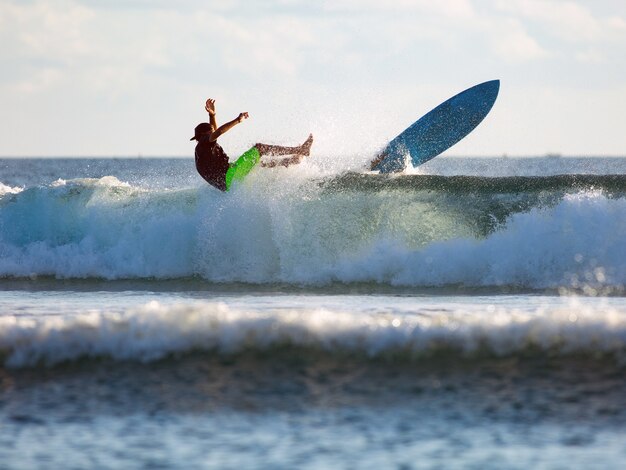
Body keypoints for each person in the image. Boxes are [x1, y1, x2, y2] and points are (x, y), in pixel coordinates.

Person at [191, 98, 313, 191]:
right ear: (204, 134)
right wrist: (237, 120)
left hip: (229, 185)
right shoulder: (205, 141)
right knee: (260, 148)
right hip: (230, 177)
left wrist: (212, 115)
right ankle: (301, 150)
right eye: (210, 132)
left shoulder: (201, 150)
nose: (212, 133)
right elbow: (217, 132)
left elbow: (214, 132)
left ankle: (291, 161)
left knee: (258, 164)